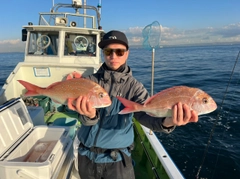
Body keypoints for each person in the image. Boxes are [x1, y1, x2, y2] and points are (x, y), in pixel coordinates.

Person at [68, 30, 198, 179]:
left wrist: (169, 122)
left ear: (127, 53)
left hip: (117, 161)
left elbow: (147, 116)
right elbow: (77, 113)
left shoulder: (135, 88)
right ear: (103, 53)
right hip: (86, 156)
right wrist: (89, 116)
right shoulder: (89, 82)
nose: (113, 56)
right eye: (108, 51)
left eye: (119, 51)